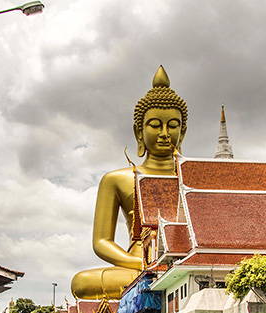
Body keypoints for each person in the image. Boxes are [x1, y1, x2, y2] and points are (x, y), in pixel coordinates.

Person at [71, 66, 188, 300]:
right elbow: (102, 242)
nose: (165, 133)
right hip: (136, 265)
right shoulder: (116, 180)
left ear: (182, 132)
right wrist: (142, 263)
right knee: (82, 283)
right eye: (155, 125)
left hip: (187, 262)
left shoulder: (197, 177)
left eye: (173, 126)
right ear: (138, 132)